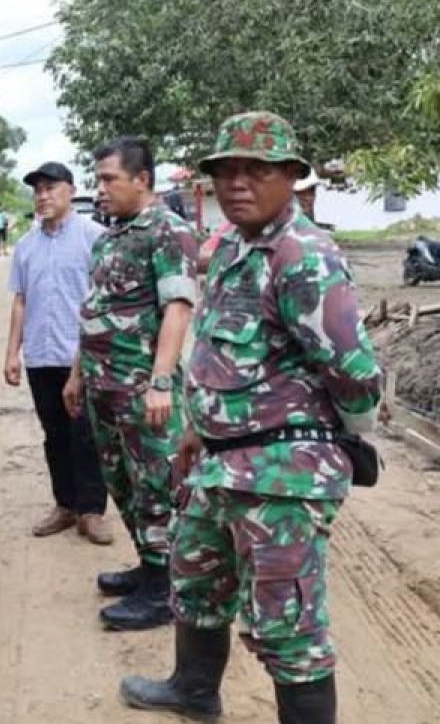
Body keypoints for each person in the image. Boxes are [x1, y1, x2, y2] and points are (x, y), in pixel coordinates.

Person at [120, 111, 383, 724]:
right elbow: (218, 353)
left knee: (288, 628)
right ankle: (193, 691)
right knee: (197, 580)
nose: (237, 183)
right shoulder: (236, 246)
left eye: (256, 170)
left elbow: (356, 374)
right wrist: (198, 428)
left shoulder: (304, 257)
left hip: (280, 478)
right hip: (219, 463)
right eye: (225, 171)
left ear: (291, 176)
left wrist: (335, 441)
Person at [63, 136, 199, 631]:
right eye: (97, 179)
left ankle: (165, 589)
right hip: (103, 389)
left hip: (143, 391)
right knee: (122, 482)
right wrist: (78, 374)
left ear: (142, 180)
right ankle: (148, 565)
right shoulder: (110, 237)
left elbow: (177, 309)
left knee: (157, 486)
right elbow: (94, 311)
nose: (100, 189)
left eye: (108, 179)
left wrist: (161, 381)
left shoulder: (168, 232)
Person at [5, 162, 112, 546]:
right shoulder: (25, 246)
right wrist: (12, 353)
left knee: (85, 434)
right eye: (38, 190)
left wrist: (87, 358)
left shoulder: (95, 238)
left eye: (51, 188)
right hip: (40, 355)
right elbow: (20, 301)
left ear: (70, 190)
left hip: (79, 357)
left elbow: (102, 304)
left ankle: (92, 511)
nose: (43, 196)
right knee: (54, 435)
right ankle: (65, 505)